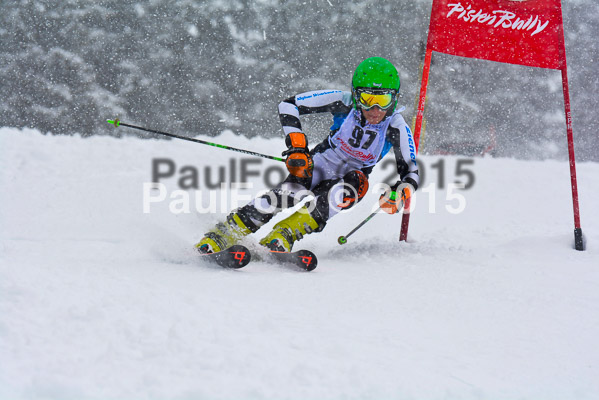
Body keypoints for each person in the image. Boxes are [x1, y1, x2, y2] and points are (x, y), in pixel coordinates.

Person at [195, 56, 419, 253]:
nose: (375, 110)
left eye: (383, 100)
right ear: (355, 94)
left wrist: (398, 193)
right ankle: (224, 233)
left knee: (352, 188)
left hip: (352, 177)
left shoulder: (396, 126)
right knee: (286, 194)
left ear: (395, 98)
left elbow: (411, 172)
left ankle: (284, 233)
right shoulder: (343, 102)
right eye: (367, 99)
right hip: (320, 163)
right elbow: (289, 105)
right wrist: (298, 147)